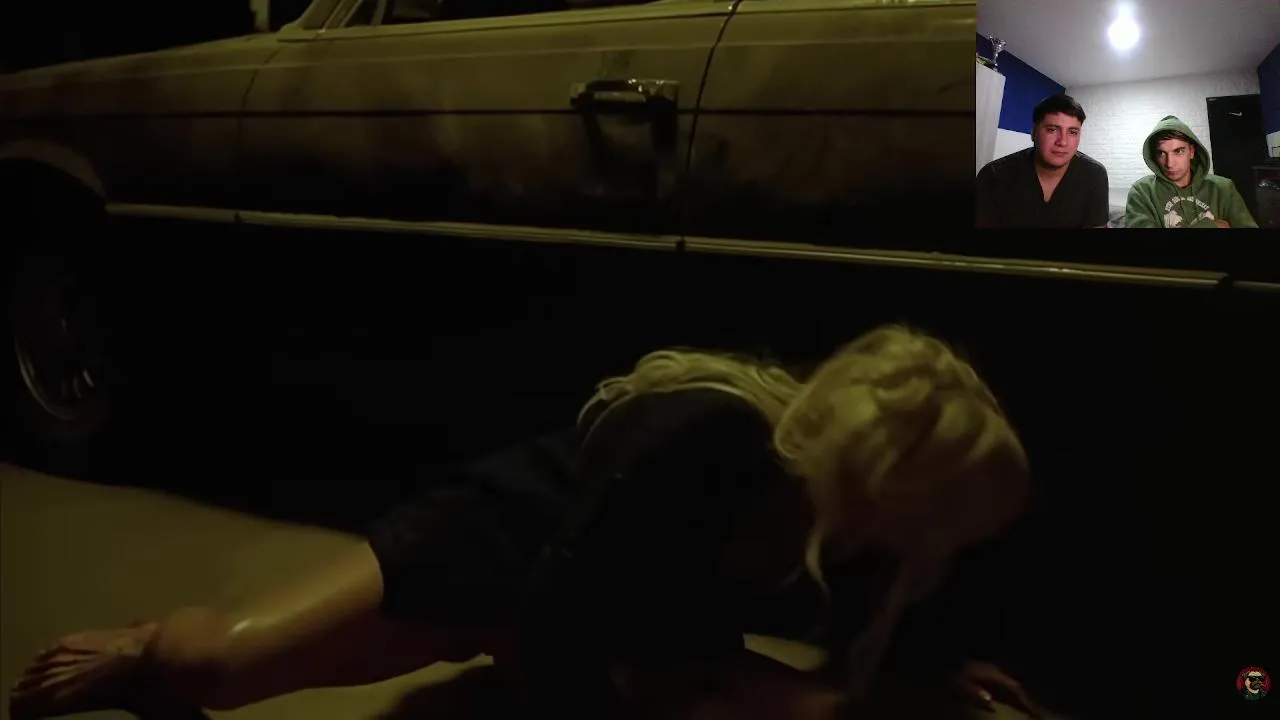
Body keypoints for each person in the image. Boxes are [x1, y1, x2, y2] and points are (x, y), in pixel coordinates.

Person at [10, 326, 1044, 720]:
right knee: (209, 669)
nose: (945, 546)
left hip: (618, 623)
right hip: (494, 559)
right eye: (946, 518)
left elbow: (869, 623)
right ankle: (148, 641)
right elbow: (553, 617)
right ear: (897, 482)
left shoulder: (851, 526)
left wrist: (931, 671)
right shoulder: (707, 435)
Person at [976, 94, 1110, 228]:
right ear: (1034, 133)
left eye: (1072, 132)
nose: (1062, 142)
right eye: (1052, 130)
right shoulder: (994, 175)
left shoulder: (1095, 174)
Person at [1124, 116, 1259, 228]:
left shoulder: (1223, 188)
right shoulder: (1142, 192)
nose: (1170, 163)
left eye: (1178, 151)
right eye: (1162, 153)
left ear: (1191, 152)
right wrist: (1211, 226)